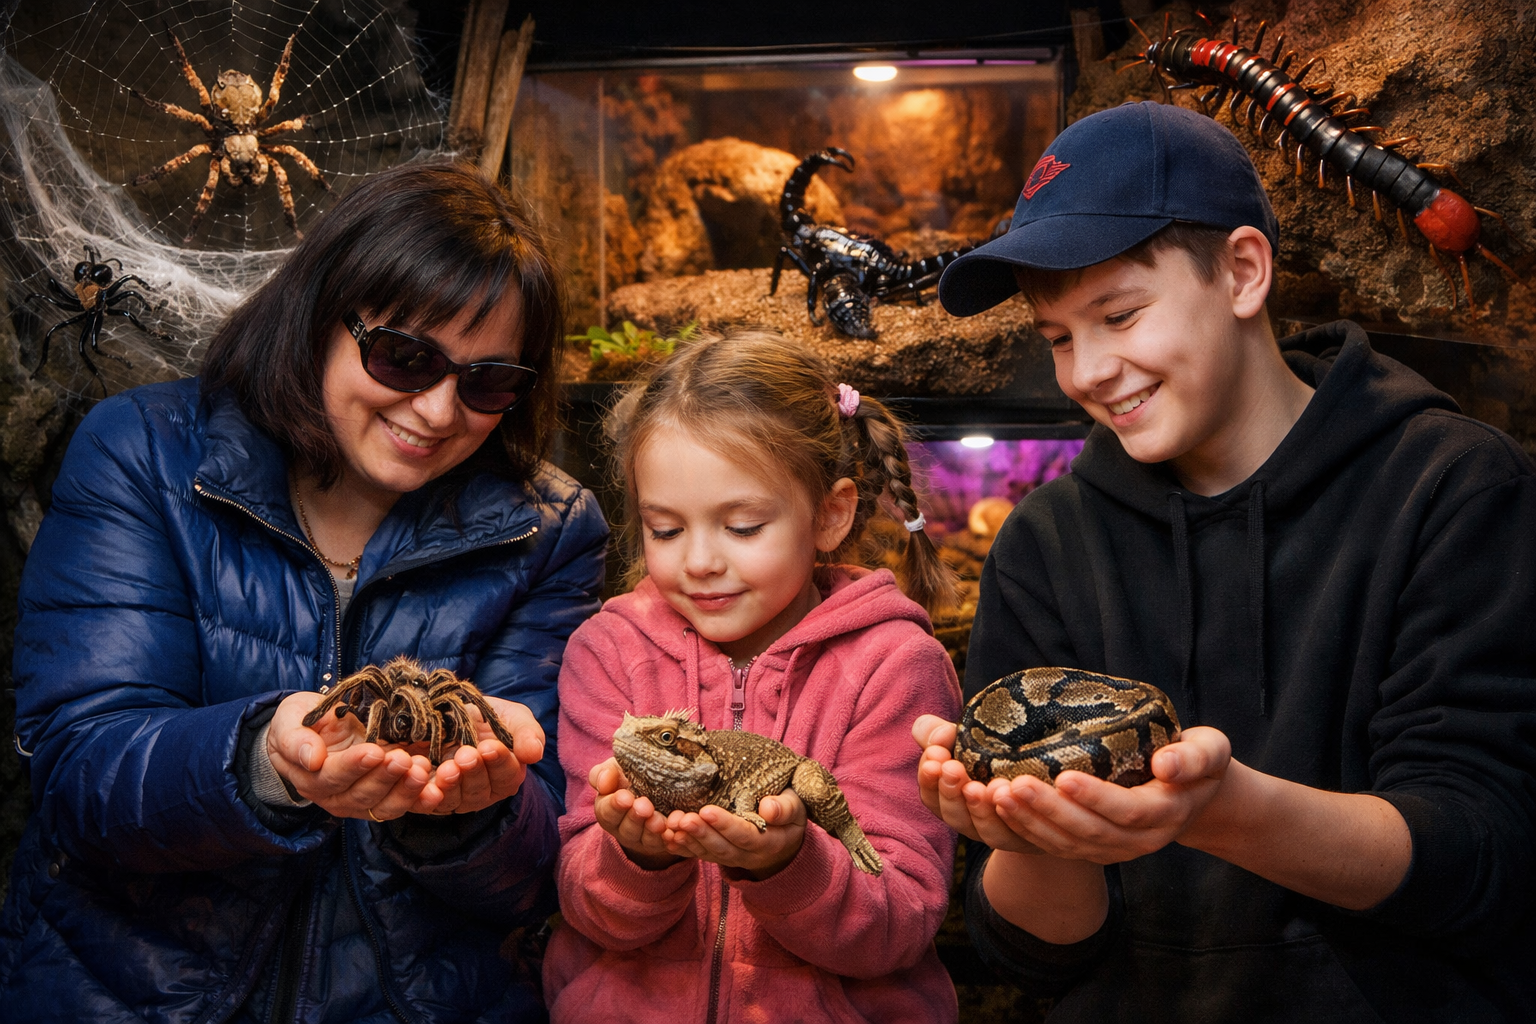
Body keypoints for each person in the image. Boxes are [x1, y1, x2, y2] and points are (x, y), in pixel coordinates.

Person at [915, 101, 1536, 1021]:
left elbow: (1485, 860)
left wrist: (1220, 810)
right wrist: (1032, 835)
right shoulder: (1043, 546)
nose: (1086, 371)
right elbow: (1033, 954)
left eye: (1119, 314)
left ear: (1243, 271)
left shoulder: (1454, 489)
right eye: (1057, 339)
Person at [1, 163, 608, 1022]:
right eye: (404, 357)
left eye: (488, 382)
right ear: (321, 316)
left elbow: (544, 864)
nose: (438, 413)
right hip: (132, 992)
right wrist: (268, 766)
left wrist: (478, 811)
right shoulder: (144, 453)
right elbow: (82, 773)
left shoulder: (549, 528)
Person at [543, 331, 962, 1023]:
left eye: (741, 526)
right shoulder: (609, 653)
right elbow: (587, 907)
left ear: (830, 514)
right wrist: (635, 857)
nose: (700, 560)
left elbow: (899, 922)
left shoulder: (894, 667)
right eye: (667, 530)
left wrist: (787, 863)